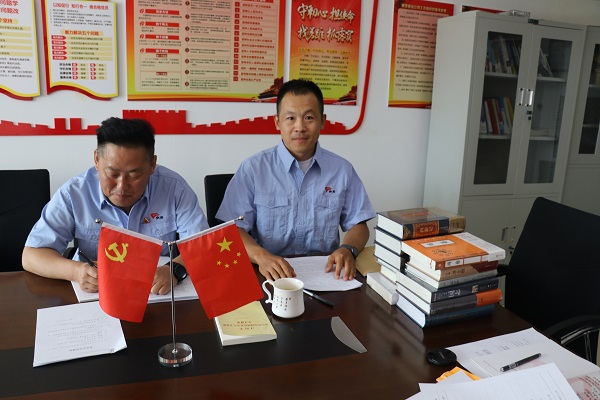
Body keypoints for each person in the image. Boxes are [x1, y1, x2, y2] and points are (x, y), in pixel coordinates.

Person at [22, 117, 209, 295]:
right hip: (99, 296)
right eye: (112, 174)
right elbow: (31, 256)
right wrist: (77, 272)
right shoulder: (74, 193)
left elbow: (203, 247)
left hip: (158, 295)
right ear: (96, 160)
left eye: (134, 175)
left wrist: (174, 270)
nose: (122, 186)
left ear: (152, 164)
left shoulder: (174, 189)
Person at [216, 79, 375, 281]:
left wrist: (348, 249)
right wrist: (261, 256)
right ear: (277, 122)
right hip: (268, 274)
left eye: (309, 117)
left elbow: (359, 225)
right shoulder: (253, 169)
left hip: (326, 274)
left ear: (323, 121)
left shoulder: (342, 170)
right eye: (290, 118)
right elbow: (231, 229)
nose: (299, 127)